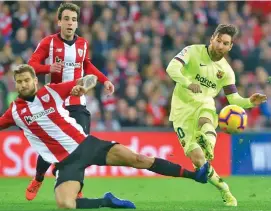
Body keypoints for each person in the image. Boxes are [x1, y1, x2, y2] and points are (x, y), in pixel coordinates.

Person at [0, 64, 209, 209]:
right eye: (19, 82)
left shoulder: (51, 92)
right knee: (65, 204)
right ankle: (106, 201)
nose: (23, 84)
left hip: (86, 145)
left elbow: (86, 79)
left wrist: (83, 85)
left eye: (26, 80)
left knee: (139, 159)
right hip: (65, 163)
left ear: (35, 80)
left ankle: (194, 175)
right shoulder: (15, 112)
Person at [166, 24, 267, 207]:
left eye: (225, 43)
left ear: (230, 46)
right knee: (198, 160)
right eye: (218, 40)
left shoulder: (226, 71)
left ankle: (208, 143)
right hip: (181, 111)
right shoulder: (192, 51)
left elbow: (234, 99)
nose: (220, 45)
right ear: (212, 38)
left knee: (206, 116)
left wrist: (250, 101)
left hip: (204, 104)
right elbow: (171, 68)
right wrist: (188, 83)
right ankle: (225, 190)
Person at [27, 2, 114, 200]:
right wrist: (48, 68)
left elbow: (87, 64)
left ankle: (76, 187)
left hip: (77, 102)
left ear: (77, 23)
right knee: (52, 145)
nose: (70, 23)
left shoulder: (82, 44)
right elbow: (32, 65)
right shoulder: (48, 43)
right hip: (55, 103)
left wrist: (104, 80)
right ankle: (38, 177)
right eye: (66, 19)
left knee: (80, 145)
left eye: (73, 20)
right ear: (59, 22)